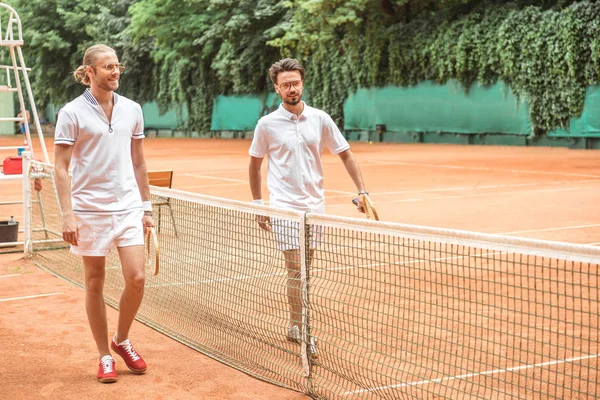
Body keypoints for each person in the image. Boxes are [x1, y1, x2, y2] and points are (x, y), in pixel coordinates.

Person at [248, 58, 369, 358]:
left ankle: (293, 324)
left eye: (296, 83)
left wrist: (362, 190)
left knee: (307, 270)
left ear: (302, 83)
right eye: (286, 85)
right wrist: (258, 204)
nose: (292, 89)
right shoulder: (266, 125)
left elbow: (346, 154)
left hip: (315, 206)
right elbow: (254, 165)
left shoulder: (320, 118)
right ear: (276, 88)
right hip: (284, 207)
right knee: (296, 270)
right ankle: (304, 329)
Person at [54, 44, 153, 383]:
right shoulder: (71, 112)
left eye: (117, 66)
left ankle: (121, 338)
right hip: (89, 210)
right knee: (94, 282)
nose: (116, 71)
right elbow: (62, 167)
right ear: (89, 73)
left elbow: (139, 161)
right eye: (108, 67)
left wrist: (147, 207)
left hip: (127, 207)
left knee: (137, 278)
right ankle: (103, 355)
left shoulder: (133, 109)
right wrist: (67, 214)